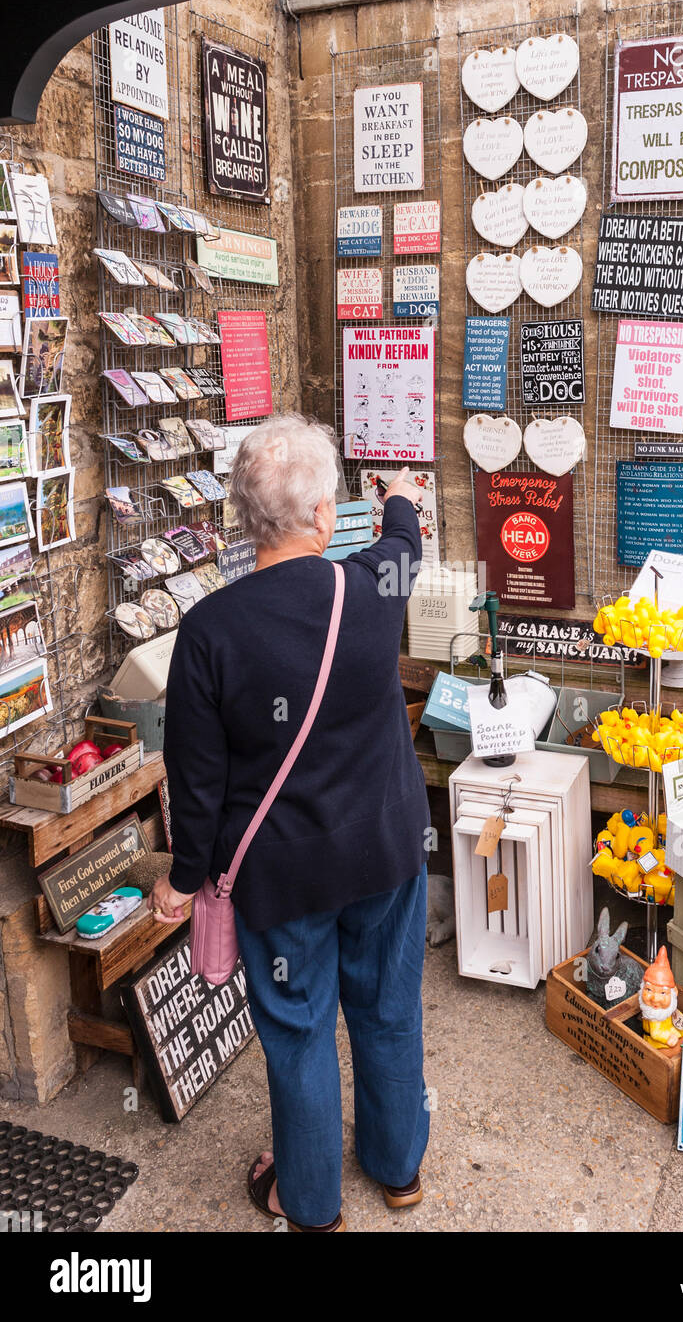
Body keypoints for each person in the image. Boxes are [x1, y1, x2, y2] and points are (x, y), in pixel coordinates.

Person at [148, 414, 431, 1232]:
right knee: (387, 1008)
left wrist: (184, 877)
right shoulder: (372, 589)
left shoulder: (208, 631)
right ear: (320, 518)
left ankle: (309, 1203)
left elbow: (195, 780)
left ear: (243, 518)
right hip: (383, 845)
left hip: (283, 872)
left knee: (299, 1031)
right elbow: (402, 543)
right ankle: (397, 1166)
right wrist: (401, 497)